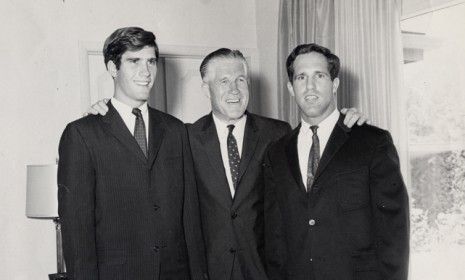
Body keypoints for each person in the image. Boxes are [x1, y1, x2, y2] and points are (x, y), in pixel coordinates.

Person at [88, 48, 367, 280]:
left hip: (266, 271)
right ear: (205, 88)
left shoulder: (278, 133)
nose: (234, 90)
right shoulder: (184, 137)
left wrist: (343, 121)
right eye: (223, 82)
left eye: (241, 80)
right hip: (209, 272)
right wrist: (106, 112)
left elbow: (316, 166)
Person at [57, 27, 207, 280]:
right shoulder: (82, 134)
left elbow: (190, 218)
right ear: (113, 69)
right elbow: (77, 234)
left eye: (151, 62)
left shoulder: (175, 130)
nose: (146, 72)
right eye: (134, 61)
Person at [263, 43, 409, 280]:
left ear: (335, 84)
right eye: (301, 77)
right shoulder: (276, 153)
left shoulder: (372, 142)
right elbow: (275, 237)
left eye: (319, 76)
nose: (310, 86)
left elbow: (393, 234)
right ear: (291, 88)